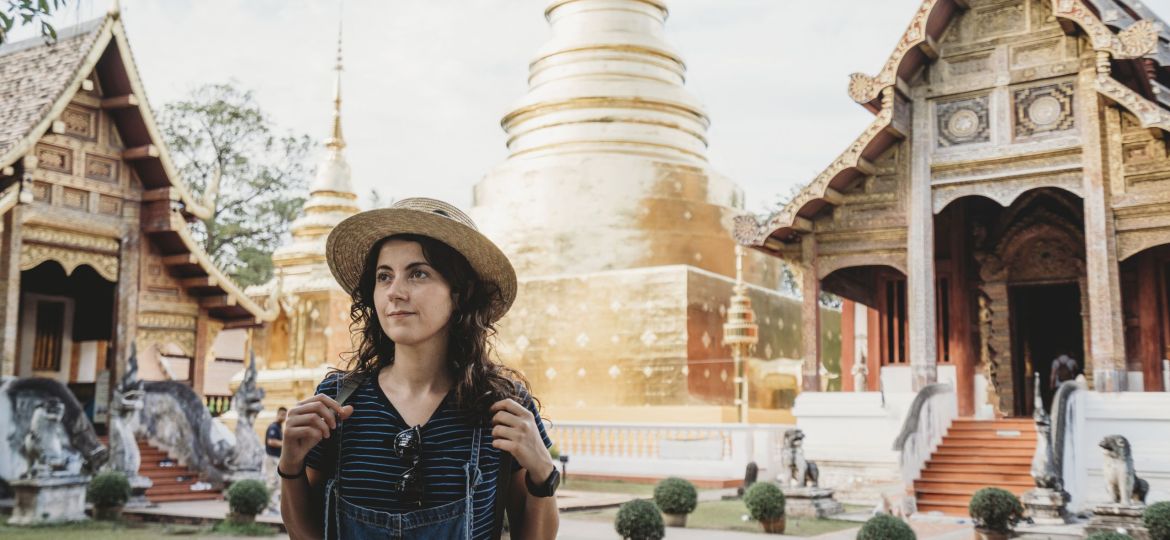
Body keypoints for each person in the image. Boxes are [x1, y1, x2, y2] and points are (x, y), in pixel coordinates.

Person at [279, 198, 560, 540]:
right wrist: (290, 464)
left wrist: (543, 471)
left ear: (458, 293)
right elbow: (304, 535)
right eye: (384, 277)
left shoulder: (502, 406)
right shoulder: (336, 403)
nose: (395, 292)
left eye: (418, 273)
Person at [264, 406, 287, 513]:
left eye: (285, 415)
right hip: (271, 457)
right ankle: (269, 506)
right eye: (282, 414)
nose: (283, 417)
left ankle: (271, 505)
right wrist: (286, 444)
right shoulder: (273, 427)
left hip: (276, 458)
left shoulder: (279, 427)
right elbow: (271, 441)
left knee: (276, 483)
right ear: (278, 414)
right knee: (272, 482)